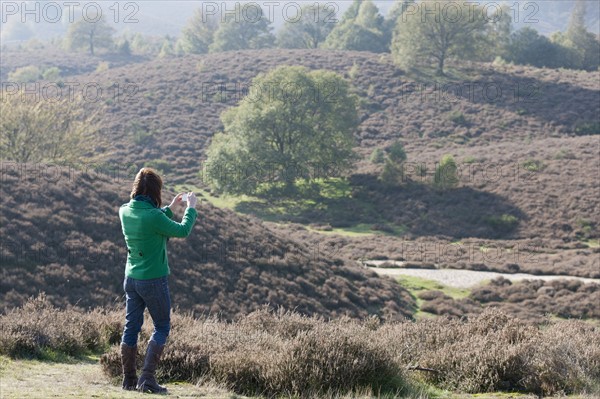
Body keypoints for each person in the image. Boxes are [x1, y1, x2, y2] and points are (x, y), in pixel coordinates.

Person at [118, 167, 198, 393]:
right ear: (156, 190)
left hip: (131, 278)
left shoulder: (124, 211)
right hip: (153, 280)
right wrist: (191, 208)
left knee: (131, 327)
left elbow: (149, 219)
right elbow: (183, 231)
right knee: (162, 326)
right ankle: (147, 379)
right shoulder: (153, 216)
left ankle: (129, 380)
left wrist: (170, 209)